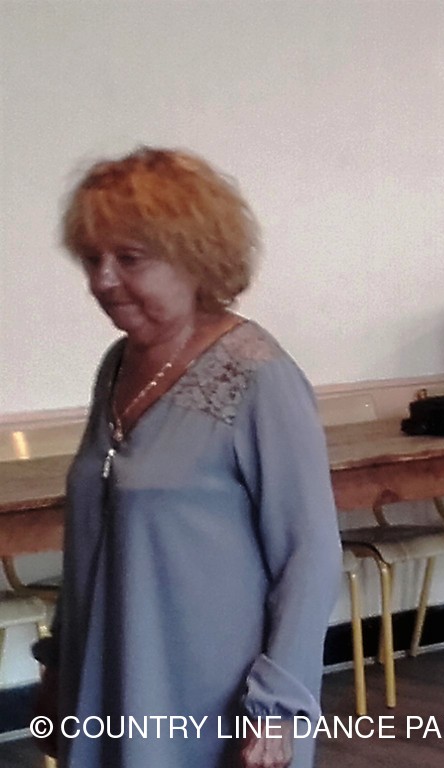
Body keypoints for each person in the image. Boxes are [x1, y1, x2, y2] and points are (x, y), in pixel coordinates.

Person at [32, 147, 343, 768]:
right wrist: (59, 668)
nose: (103, 280)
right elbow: (90, 537)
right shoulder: (118, 366)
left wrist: (277, 708)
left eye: (129, 259)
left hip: (212, 702)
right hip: (109, 681)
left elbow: (309, 555)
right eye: (92, 259)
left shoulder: (259, 377)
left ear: (196, 257)